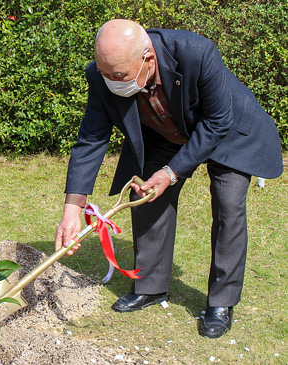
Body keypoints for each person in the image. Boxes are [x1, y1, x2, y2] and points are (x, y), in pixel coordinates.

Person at [55, 19, 283, 339]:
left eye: (118, 75)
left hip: (229, 133)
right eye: (104, 73)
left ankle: (221, 301)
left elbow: (217, 121)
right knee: (145, 195)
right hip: (163, 132)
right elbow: (91, 139)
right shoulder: (103, 74)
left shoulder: (196, 53)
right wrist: (72, 209)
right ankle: (150, 286)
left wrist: (171, 172)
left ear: (148, 59)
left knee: (229, 204)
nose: (110, 82)